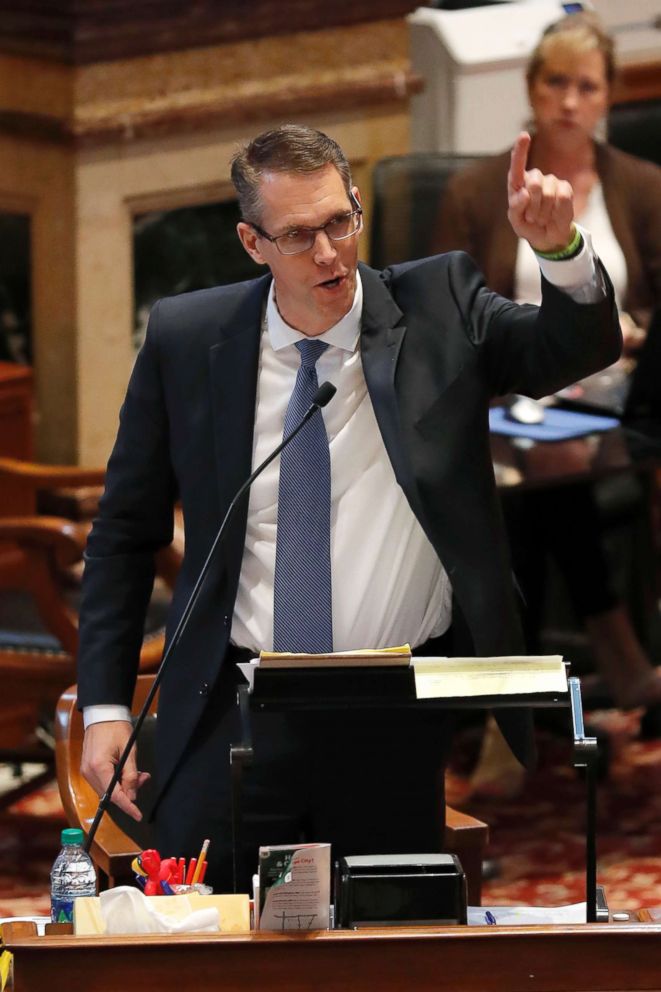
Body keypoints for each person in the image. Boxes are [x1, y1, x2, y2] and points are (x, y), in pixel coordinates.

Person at [78, 123, 620, 890]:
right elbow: (124, 533)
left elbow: (568, 350)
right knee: (206, 932)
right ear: (251, 242)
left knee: (385, 936)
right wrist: (103, 704)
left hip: (391, 709)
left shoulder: (439, 305)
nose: (328, 252)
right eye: (297, 235)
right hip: (238, 699)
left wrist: (560, 253)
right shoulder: (188, 339)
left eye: (339, 221)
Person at [433, 12, 661, 717]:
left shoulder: (643, 186)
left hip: (617, 402)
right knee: (546, 478)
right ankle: (614, 649)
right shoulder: (474, 192)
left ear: (607, 97)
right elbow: (446, 311)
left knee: (550, 481)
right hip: (511, 405)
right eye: (554, 82)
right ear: (531, 89)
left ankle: (513, 712)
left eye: (585, 86)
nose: (568, 101)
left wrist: (629, 332)